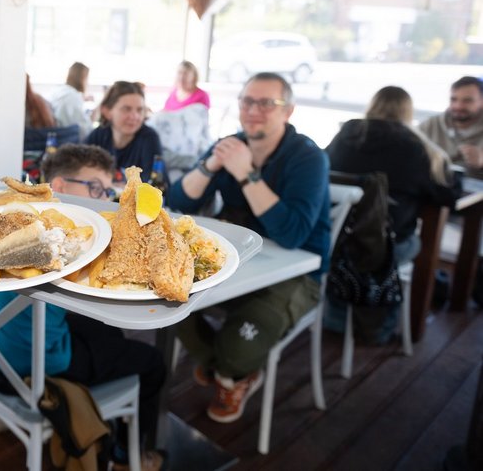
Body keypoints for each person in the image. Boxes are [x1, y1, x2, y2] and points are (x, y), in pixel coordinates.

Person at [0, 143, 165, 471]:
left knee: (110, 336)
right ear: (62, 186)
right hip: (38, 363)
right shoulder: (74, 245)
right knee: (152, 361)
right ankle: (128, 455)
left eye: (108, 190)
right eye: (95, 187)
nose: (105, 197)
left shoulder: (26, 219)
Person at [168, 72, 330, 423]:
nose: (254, 110)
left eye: (266, 103)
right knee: (164, 302)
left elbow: (291, 235)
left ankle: (231, 369)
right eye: (247, 101)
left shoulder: (308, 158)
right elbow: (178, 203)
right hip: (235, 262)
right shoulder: (231, 145)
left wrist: (246, 174)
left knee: (239, 346)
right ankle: (227, 369)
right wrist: (211, 164)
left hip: (297, 272)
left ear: (288, 111)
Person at [326, 86, 457, 341]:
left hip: (338, 238)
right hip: (387, 245)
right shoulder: (419, 148)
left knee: (357, 247)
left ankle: (338, 320)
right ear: (408, 112)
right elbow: (447, 196)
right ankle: (382, 328)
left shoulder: (345, 135)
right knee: (412, 241)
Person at [85, 81, 162, 182]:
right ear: (107, 111)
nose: (135, 116)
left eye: (139, 110)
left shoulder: (149, 138)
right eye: (126, 109)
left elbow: (154, 185)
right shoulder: (98, 136)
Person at [419, 76, 483, 180]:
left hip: (476, 193)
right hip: (435, 188)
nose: (458, 106)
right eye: (453, 99)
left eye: (467, 101)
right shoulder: (431, 124)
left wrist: (481, 162)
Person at [50, 61, 93, 140]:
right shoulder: (73, 97)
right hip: (66, 139)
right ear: (83, 78)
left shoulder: (60, 91)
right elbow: (85, 131)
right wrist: (93, 117)